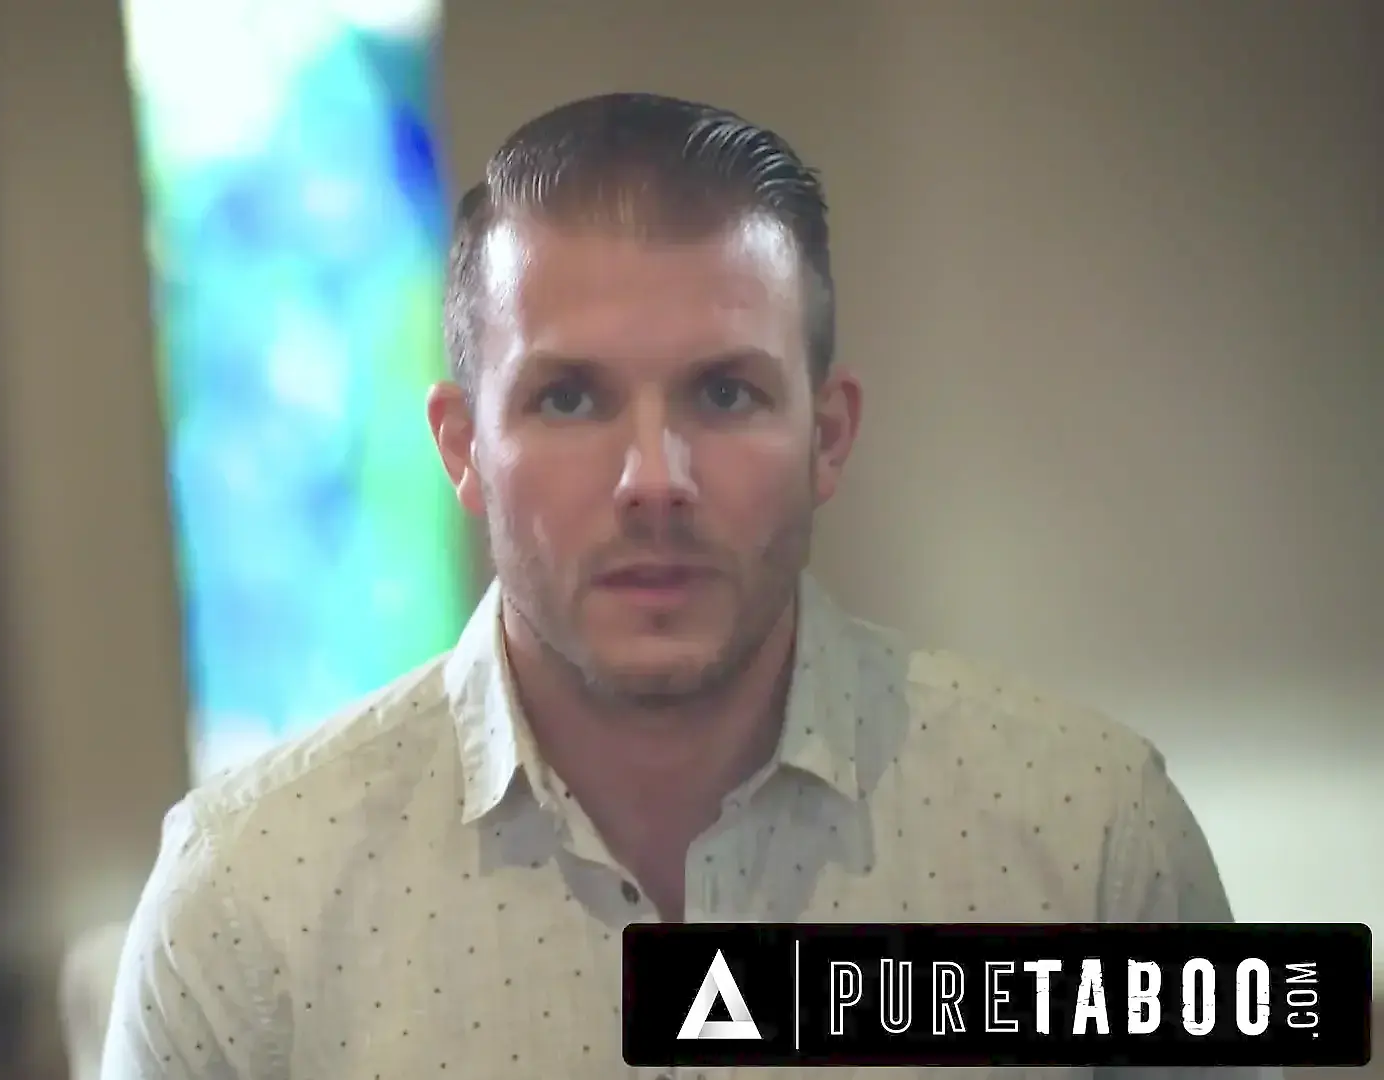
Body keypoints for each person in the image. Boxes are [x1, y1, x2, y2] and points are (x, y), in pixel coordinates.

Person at [92, 92, 1240, 1079]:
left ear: (829, 435)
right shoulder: (247, 906)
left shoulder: (1087, 839)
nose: (653, 480)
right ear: (463, 448)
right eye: (570, 399)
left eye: (725, 393)